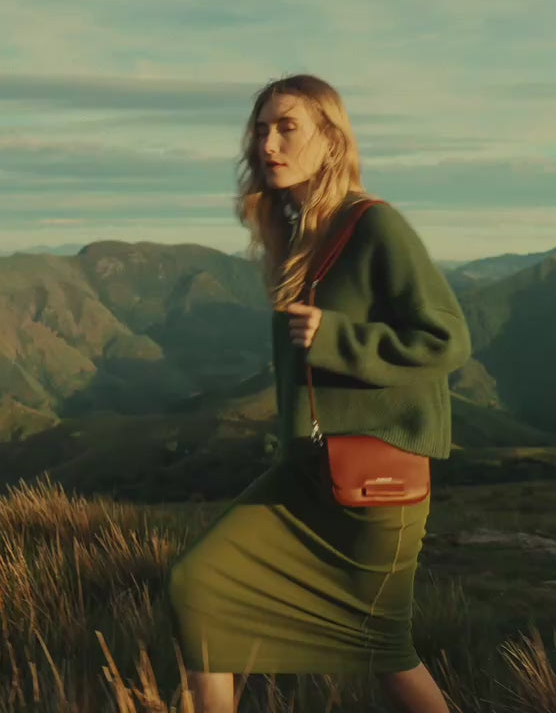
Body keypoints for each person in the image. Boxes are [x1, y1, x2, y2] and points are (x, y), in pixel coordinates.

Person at [165, 73, 471, 713]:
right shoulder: (303, 231)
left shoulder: (375, 225)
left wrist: (339, 338)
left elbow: (447, 338)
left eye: (287, 127)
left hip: (374, 482)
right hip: (308, 469)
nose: (268, 144)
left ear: (331, 139)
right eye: (261, 129)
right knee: (199, 586)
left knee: (384, 648)